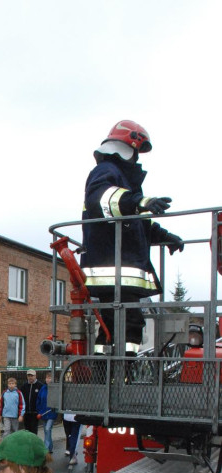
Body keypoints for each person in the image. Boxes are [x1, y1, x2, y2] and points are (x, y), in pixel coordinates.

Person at [81, 119, 184, 354]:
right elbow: (101, 199)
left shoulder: (123, 179)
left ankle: (106, 373)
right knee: (129, 324)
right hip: (113, 269)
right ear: (129, 148)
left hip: (119, 270)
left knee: (110, 324)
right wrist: (139, 202)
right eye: (137, 151)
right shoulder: (106, 171)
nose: (137, 157)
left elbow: (137, 226)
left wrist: (166, 236)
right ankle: (119, 373)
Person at [36, 372, 57, 453]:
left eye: (50, 378)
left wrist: (55, 409)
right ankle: (50, 448)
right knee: (46, 431)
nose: (48, 379)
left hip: (51, 414)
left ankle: (45, 449)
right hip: (43, 413)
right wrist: (39, 411)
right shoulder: (43, 388)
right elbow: (38, 400)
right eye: (47, 378)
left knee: (48, 429)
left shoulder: (55, 389)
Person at [20, 370, 43, 434]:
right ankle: (28, 443)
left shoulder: (40, 385)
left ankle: (34, 443)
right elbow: (21, 399)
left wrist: (40, 411)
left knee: (34, 430)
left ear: (35, 376)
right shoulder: (24, 386)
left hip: (35, 412)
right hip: (26, 412)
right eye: (29, 376)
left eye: (32, 376)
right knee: (27, 430)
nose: (30, 377)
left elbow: (42, 399)